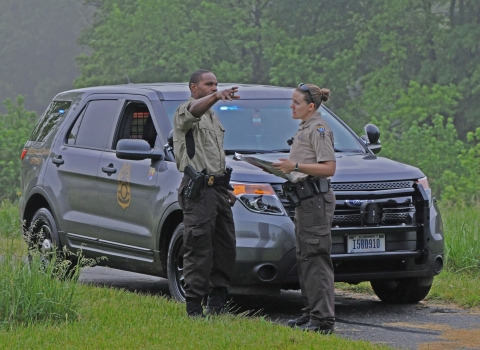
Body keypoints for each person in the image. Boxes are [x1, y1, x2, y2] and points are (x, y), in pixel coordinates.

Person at [173, 69, 239, 317]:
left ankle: (218, 304)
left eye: (216, 85)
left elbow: (213, 157)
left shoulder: (212, 117)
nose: (213, 87)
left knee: (225, 247)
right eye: (208, 84)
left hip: (217, 190)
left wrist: (225, 188)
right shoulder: (185, 112)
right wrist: (218, 96)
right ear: (193, 88)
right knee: (199, 247)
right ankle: (193, 307)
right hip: (198, 192)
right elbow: (192, 113)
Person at [273, 83, 336, 334]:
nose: (292, 105)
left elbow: (329, 168)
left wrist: (295, 165)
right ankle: (310, 313)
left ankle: (322, 321)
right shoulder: (305, 127)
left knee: (316, 258)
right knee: (305, 258)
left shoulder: (319, 129)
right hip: (305, 200)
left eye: (296, 102)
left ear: (311, 106)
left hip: (315, 201)